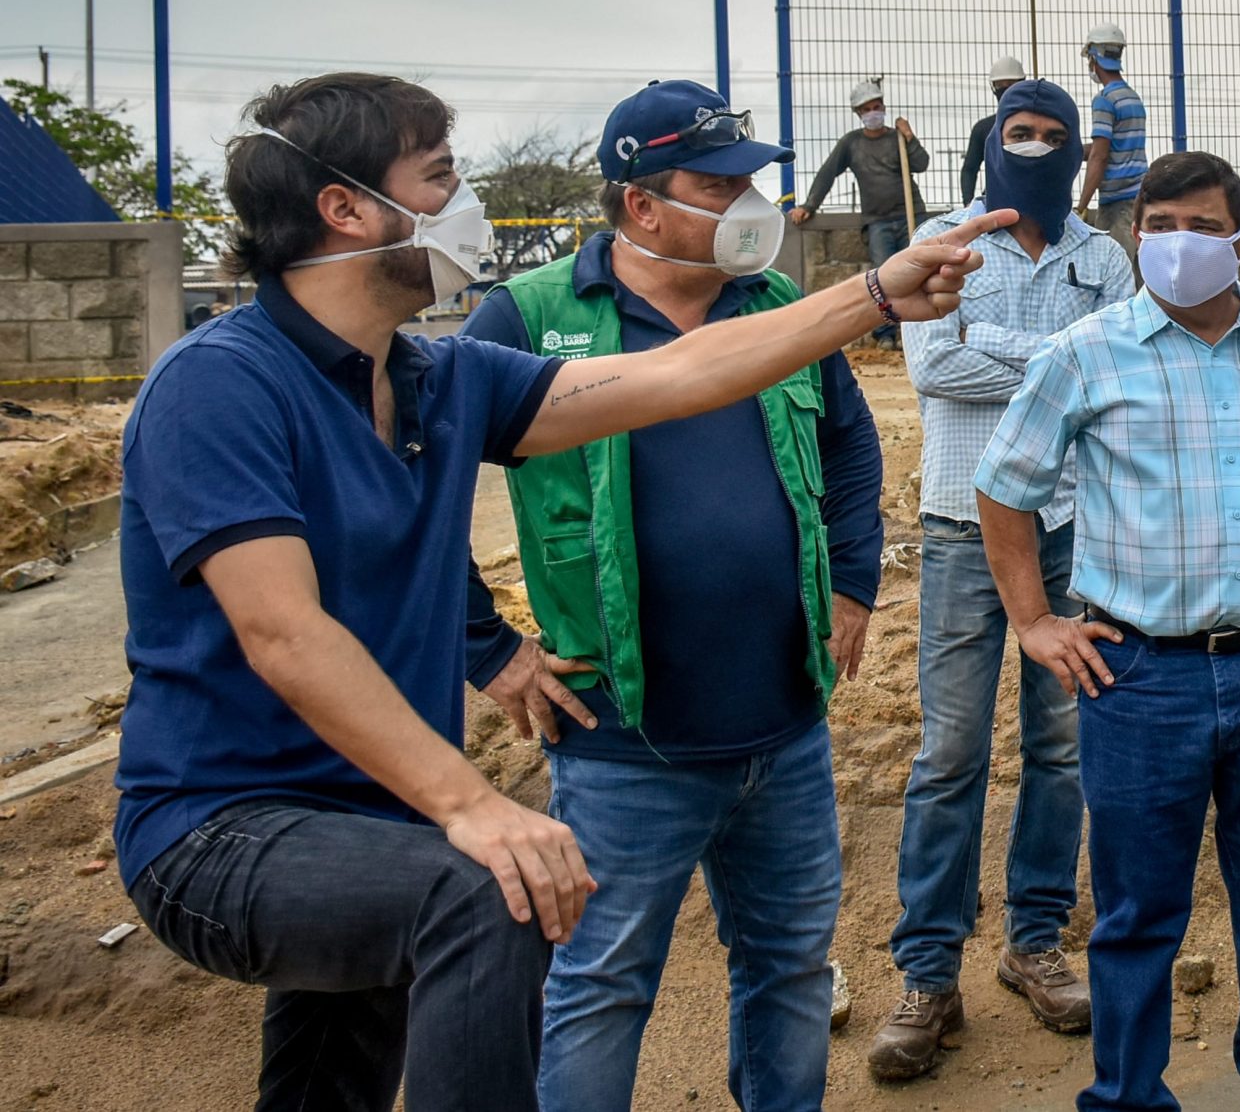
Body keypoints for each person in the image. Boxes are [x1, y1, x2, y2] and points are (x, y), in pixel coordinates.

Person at [111, 71, 1002, 1112]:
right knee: (490, 898)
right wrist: (474, 802)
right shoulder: (223, 382)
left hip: (369, 820)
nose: (467, 202)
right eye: (439, 177)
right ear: (345, 208)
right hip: (224, 825)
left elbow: (681, 375)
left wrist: (876, 294)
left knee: (327, 1086)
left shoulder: (440, 381)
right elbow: (281, 631)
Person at [457, 80, 883, 1112]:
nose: (751, 204)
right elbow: (404, 489)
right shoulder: (531, 314)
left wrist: (855, 580)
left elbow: (849, 443)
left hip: (783, 728)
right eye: (718, 182)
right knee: (602, 986)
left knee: (786, 967)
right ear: (641, 203)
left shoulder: (779, 307)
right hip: (620, 741)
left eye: (753, 180)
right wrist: (487, 647)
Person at [975, 151, 1240, 1112]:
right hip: (1137, 676)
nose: (1179, 245)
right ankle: (1126, 1094)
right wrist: (1032, 621)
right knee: (1136, 912)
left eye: (1203, 227)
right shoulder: (1086, 352)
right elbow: (1004, 491)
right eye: (1159, 226)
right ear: (1134, 235)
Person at [870, 79, 1135, 1079]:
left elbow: (1113, 376)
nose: (1031, 147)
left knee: (1061, 748)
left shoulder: (1101, 255)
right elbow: (935, 369)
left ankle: (1036, 943)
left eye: (1050, 136)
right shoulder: (939, 241)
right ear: (990, 143)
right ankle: (927, 973)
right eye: (1015, 133)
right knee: (949, 752)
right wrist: (1058, 358)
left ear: (1074, 153)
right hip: (958, 525)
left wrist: (1001, 345)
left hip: (1072, 526)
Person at [792, 77, 932, 346]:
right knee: (883, 280)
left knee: (920, 275)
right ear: (858, 113)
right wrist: (809, 205)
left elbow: (921, 164)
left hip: (911, 216)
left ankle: (920, 335)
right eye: (866, 109)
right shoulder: (852, 143)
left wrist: (910, 137)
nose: (872, 113)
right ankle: (886, 335)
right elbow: (827, 174)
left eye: (876, 107)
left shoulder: (897, 138)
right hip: (878, 222)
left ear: (884, 107)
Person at [1072, 24, 1146, 256]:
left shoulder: (1104, 100)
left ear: (1094, 58)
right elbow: (1114, 146)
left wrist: (1082, 206)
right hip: (1139, 198)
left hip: (1115, 205)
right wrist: (1073, 149)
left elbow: (1100, 155)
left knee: (1116, 275)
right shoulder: (1132, 98)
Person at [959, 55, 1028, 207]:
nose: (1005, 90)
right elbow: (969, 169)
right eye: (1000, 85)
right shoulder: (984, 129)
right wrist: (968, 205)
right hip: (995, 202)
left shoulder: (1039, 125)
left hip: (1034, 197)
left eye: (1010, 85)